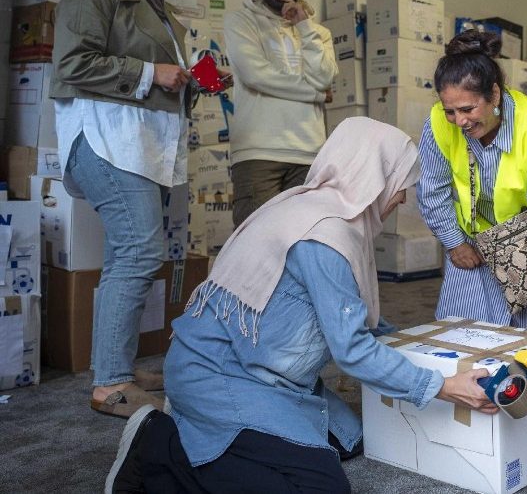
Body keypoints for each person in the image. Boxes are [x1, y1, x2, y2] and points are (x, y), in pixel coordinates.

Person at [104, 118, 498, 493]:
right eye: (398, 183)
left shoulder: (309, 207)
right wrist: (442, 385)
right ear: (373, 177)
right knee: (320, 486)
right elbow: (352, 351)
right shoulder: (325, 237)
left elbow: (342, 308)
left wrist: (417, 341)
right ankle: (157, 447)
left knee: (348, 440)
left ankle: (204, 428)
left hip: (251, 366)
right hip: (222, 373)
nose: (401, 196)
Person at [50, 0, 191, 418]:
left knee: (130, 252)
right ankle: (111, 384)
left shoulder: (156, 4)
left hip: (136, 145)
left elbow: (161, 76)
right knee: (138, 250)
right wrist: (154, 73)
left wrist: (196, 80)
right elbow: (71, 64)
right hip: (104, 141)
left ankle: (118, 368)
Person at [417, 30, 527, 338]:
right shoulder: (437, 124)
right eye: (450, 111)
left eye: (468, 109)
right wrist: (453, 242)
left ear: (494, 96)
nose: (459, 121)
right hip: (481, 230)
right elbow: (432, 189)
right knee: (461, 327)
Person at [223, 0, 337, 227]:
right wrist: (315, 94)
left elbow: (323, 77)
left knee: (303, 241)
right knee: (256, 244)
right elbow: (256, 75)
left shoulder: (319, 33)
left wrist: (304, 26)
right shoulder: (241, 21)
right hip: (258, 152)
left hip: (310, 152)